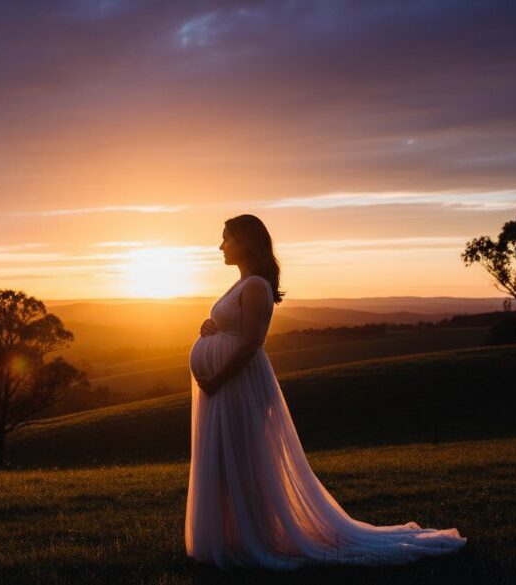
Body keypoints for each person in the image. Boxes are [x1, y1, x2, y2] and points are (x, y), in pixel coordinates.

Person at [185, 214, 467, 569]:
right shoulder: (241, 284)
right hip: (225, 387)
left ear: (246, 242)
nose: (221, 246)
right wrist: (209, 327)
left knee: (244, 463)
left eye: (227, 239)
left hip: (237, 386)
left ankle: (254, 538)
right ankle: (235, 535)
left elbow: (251, 344)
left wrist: (217, 379)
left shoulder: (256, 285)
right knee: (229, 463)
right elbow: (233, 330)